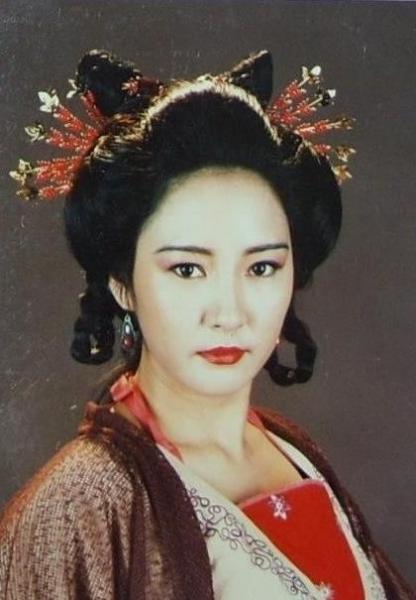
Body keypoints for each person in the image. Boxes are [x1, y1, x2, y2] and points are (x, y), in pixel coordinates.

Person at [1, 49, 414, 599]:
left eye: (262, 267)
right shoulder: (79, 503)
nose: (229, 312)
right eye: (188, 269)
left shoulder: (293, 453)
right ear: (122, 283)